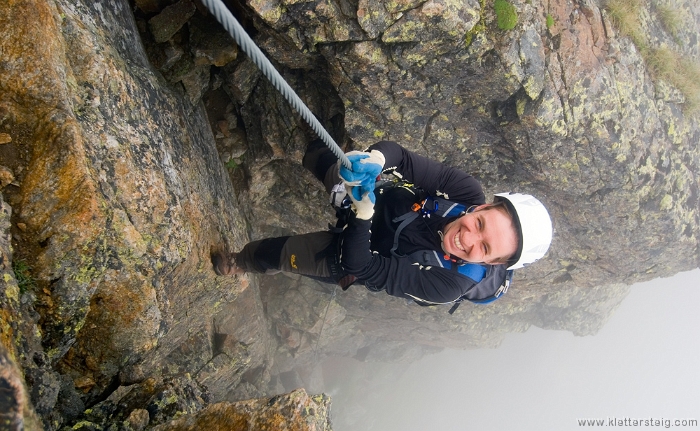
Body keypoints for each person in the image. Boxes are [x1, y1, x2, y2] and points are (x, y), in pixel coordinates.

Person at [212, 137, 553, 306]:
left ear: (493, 263)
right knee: (322, 156)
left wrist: (362, 215)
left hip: (351, 253)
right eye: (480, 224)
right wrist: (375, 160)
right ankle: (298, 138)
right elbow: (402, 157)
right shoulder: (467, 192)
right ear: (481, 208)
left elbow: (360, 266)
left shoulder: (449, 286)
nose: (469, 238)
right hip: (369, 192)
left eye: (485, 248)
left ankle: (238, 262)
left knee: (281, 253)